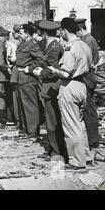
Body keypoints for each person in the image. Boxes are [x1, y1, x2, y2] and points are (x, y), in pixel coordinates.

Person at [48, 18, 93, 170]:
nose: (60, 33)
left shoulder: (70, 47)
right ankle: (86, 156)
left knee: (71, 125)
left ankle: (76, 161)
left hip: (70, 86)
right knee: (80, 125)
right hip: (82, 86)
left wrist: (54, 70)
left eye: (61, 31)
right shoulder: (85, 45)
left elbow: (66, 73)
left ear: (65, 31)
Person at [33, 21, 67, 162]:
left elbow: (53, 71)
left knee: (53, 121)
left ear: (45, 33)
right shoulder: (53, 45)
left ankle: (56, 151)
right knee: (51, 120)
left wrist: (40, 73)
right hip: (50, 87)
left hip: (52, 87)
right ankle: (54, 149)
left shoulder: (53, 48)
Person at [12, 24, 45, 137]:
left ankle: (33, 131)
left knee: (30, 105)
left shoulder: (32, 44)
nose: (19, 34)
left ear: (27, 33)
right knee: (22, 104)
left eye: (21, 32)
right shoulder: (22, 43)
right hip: (20, 77)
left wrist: (29, 69)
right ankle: (25, 129)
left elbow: (41, 59)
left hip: (28, 78)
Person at [76, 18, 99, 150]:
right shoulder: (87, 40)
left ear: (80, 30)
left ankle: (93, 140)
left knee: (89, 109)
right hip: (88, 76)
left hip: (87, 77)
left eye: (77, 32)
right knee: (88, 109)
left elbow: (86, 61)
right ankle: (91, 138)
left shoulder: (87, 41)